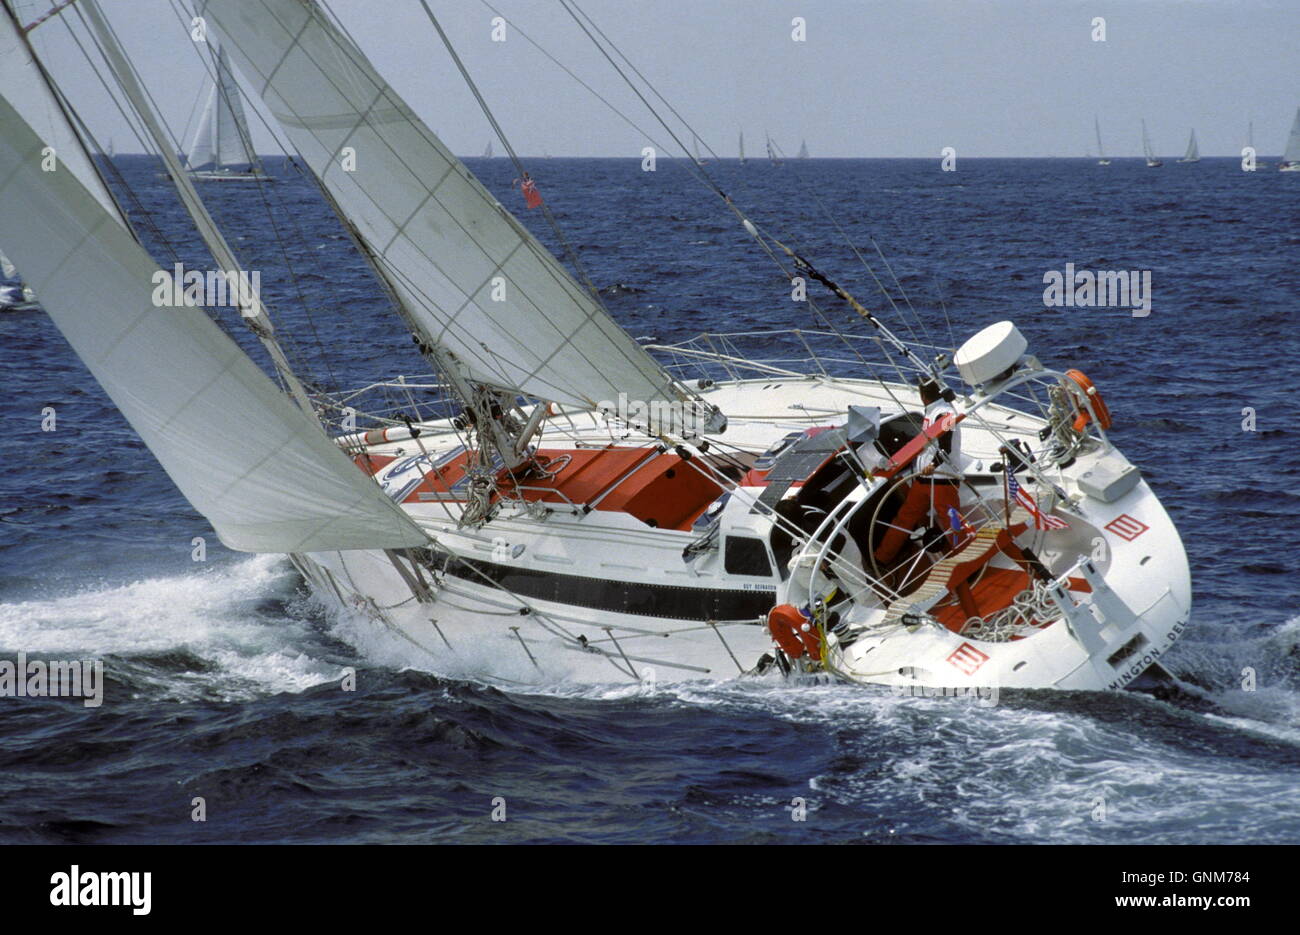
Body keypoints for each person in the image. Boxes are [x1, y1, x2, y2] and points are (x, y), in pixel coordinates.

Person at [873, 378, 964, 567]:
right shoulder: (935, 413)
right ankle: (882, 557)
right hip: (924, 479)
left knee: (951, 522)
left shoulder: (946, 415)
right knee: (906, 516)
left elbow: (945, 447)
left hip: (941, 479)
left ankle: (965, 561)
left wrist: (933, 464)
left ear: (923, 396)